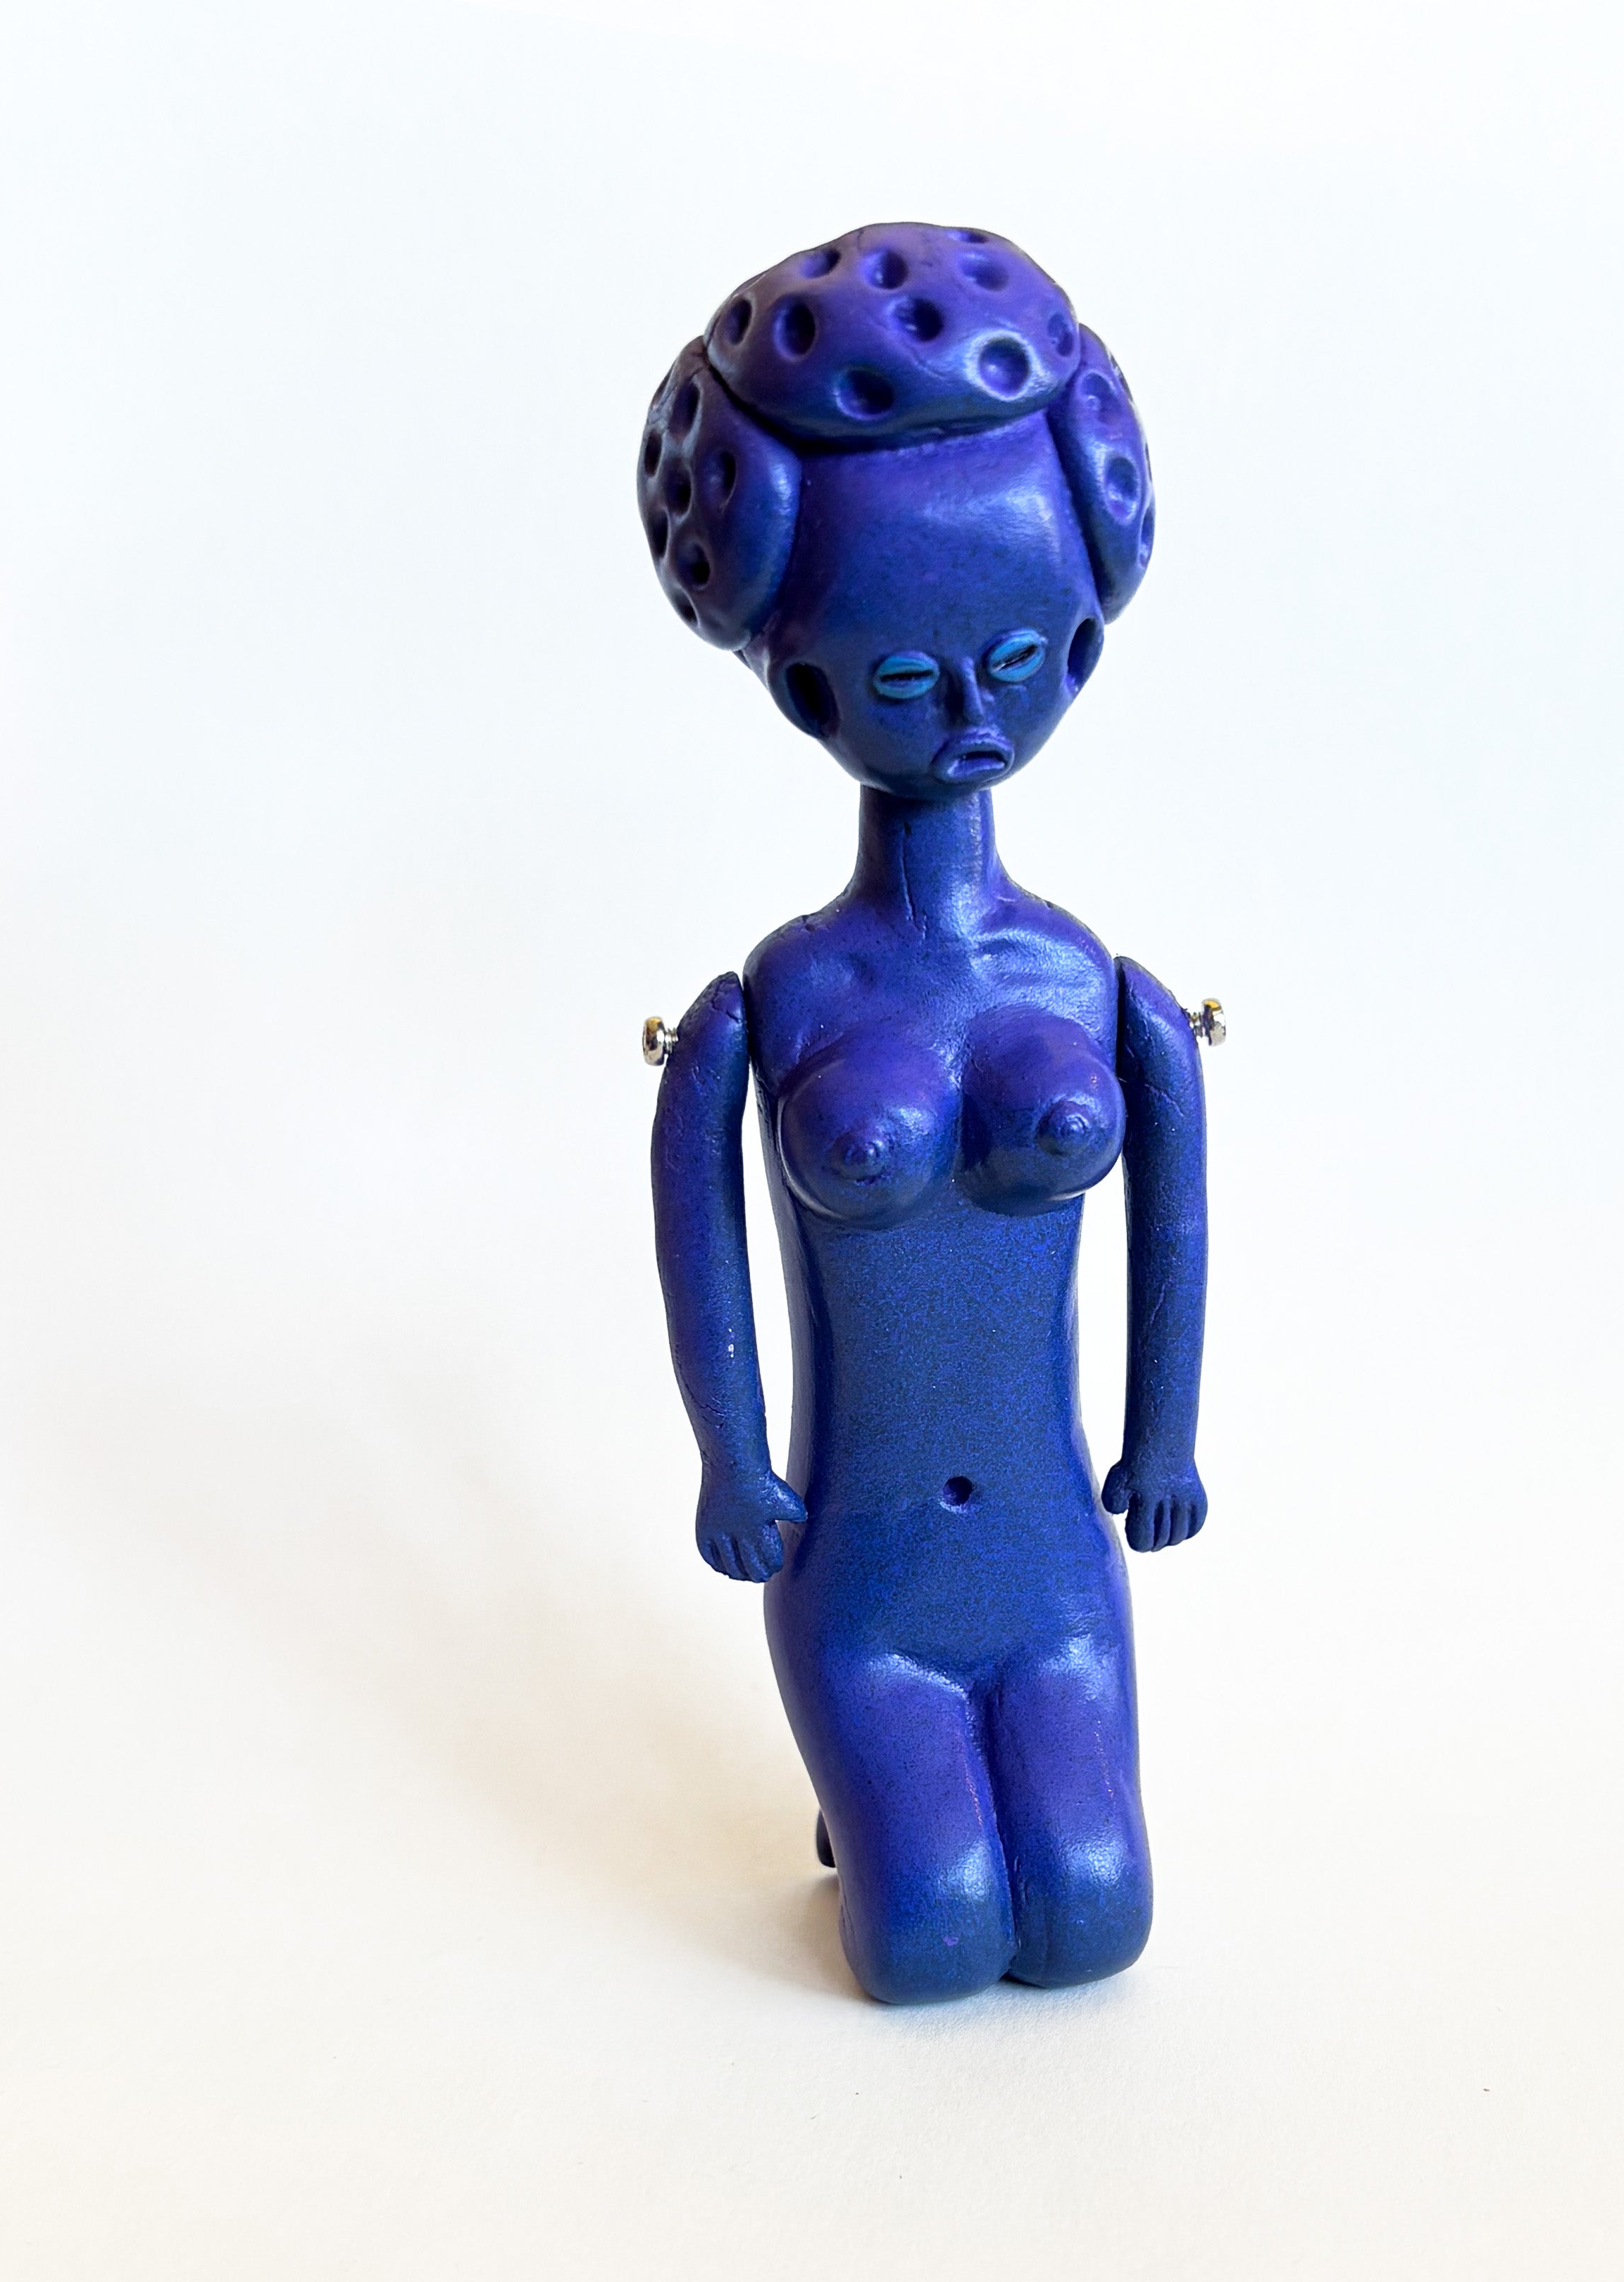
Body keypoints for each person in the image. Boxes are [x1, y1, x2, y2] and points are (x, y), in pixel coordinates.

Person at [639, 223, 1210, 2004]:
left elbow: (1177, 1224)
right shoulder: (778, 1004)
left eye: (1023, 653)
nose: (969, 709)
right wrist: (733, 1463)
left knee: (1096, 1914)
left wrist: (1166, 1444)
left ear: (1085, 641)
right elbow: (699, 1241)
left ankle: (939, 1801)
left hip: (1054, 1572)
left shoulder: (1097, 988)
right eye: (901, 676)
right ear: (798, 676)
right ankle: (877, 1805)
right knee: (929, 1935)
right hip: (864, 1582)